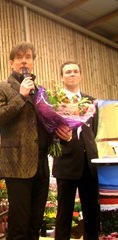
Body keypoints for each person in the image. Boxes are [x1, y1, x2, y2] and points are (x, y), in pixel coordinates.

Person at [0, 42, 71, 240]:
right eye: (19, 57)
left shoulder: (41, 91)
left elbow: (46, 125)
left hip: (41, 166)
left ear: (33, 62)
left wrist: (61, 136)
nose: (24, 60)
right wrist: (21, 96)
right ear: (11, 63)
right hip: (17, 164)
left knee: (35, 226)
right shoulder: (1, 87)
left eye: (28, 57)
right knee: (19, 226)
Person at [53, 61, 100, 240]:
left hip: (89, 164)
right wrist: (63, 140)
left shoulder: (91, 101)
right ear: (62, 77)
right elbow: (51, 132)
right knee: (64, 213)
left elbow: (93, 131)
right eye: (67, 72)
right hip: (66, 162)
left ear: (80, 75)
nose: (72, 74)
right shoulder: (54, 101)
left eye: (75, 71)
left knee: (92, 212)